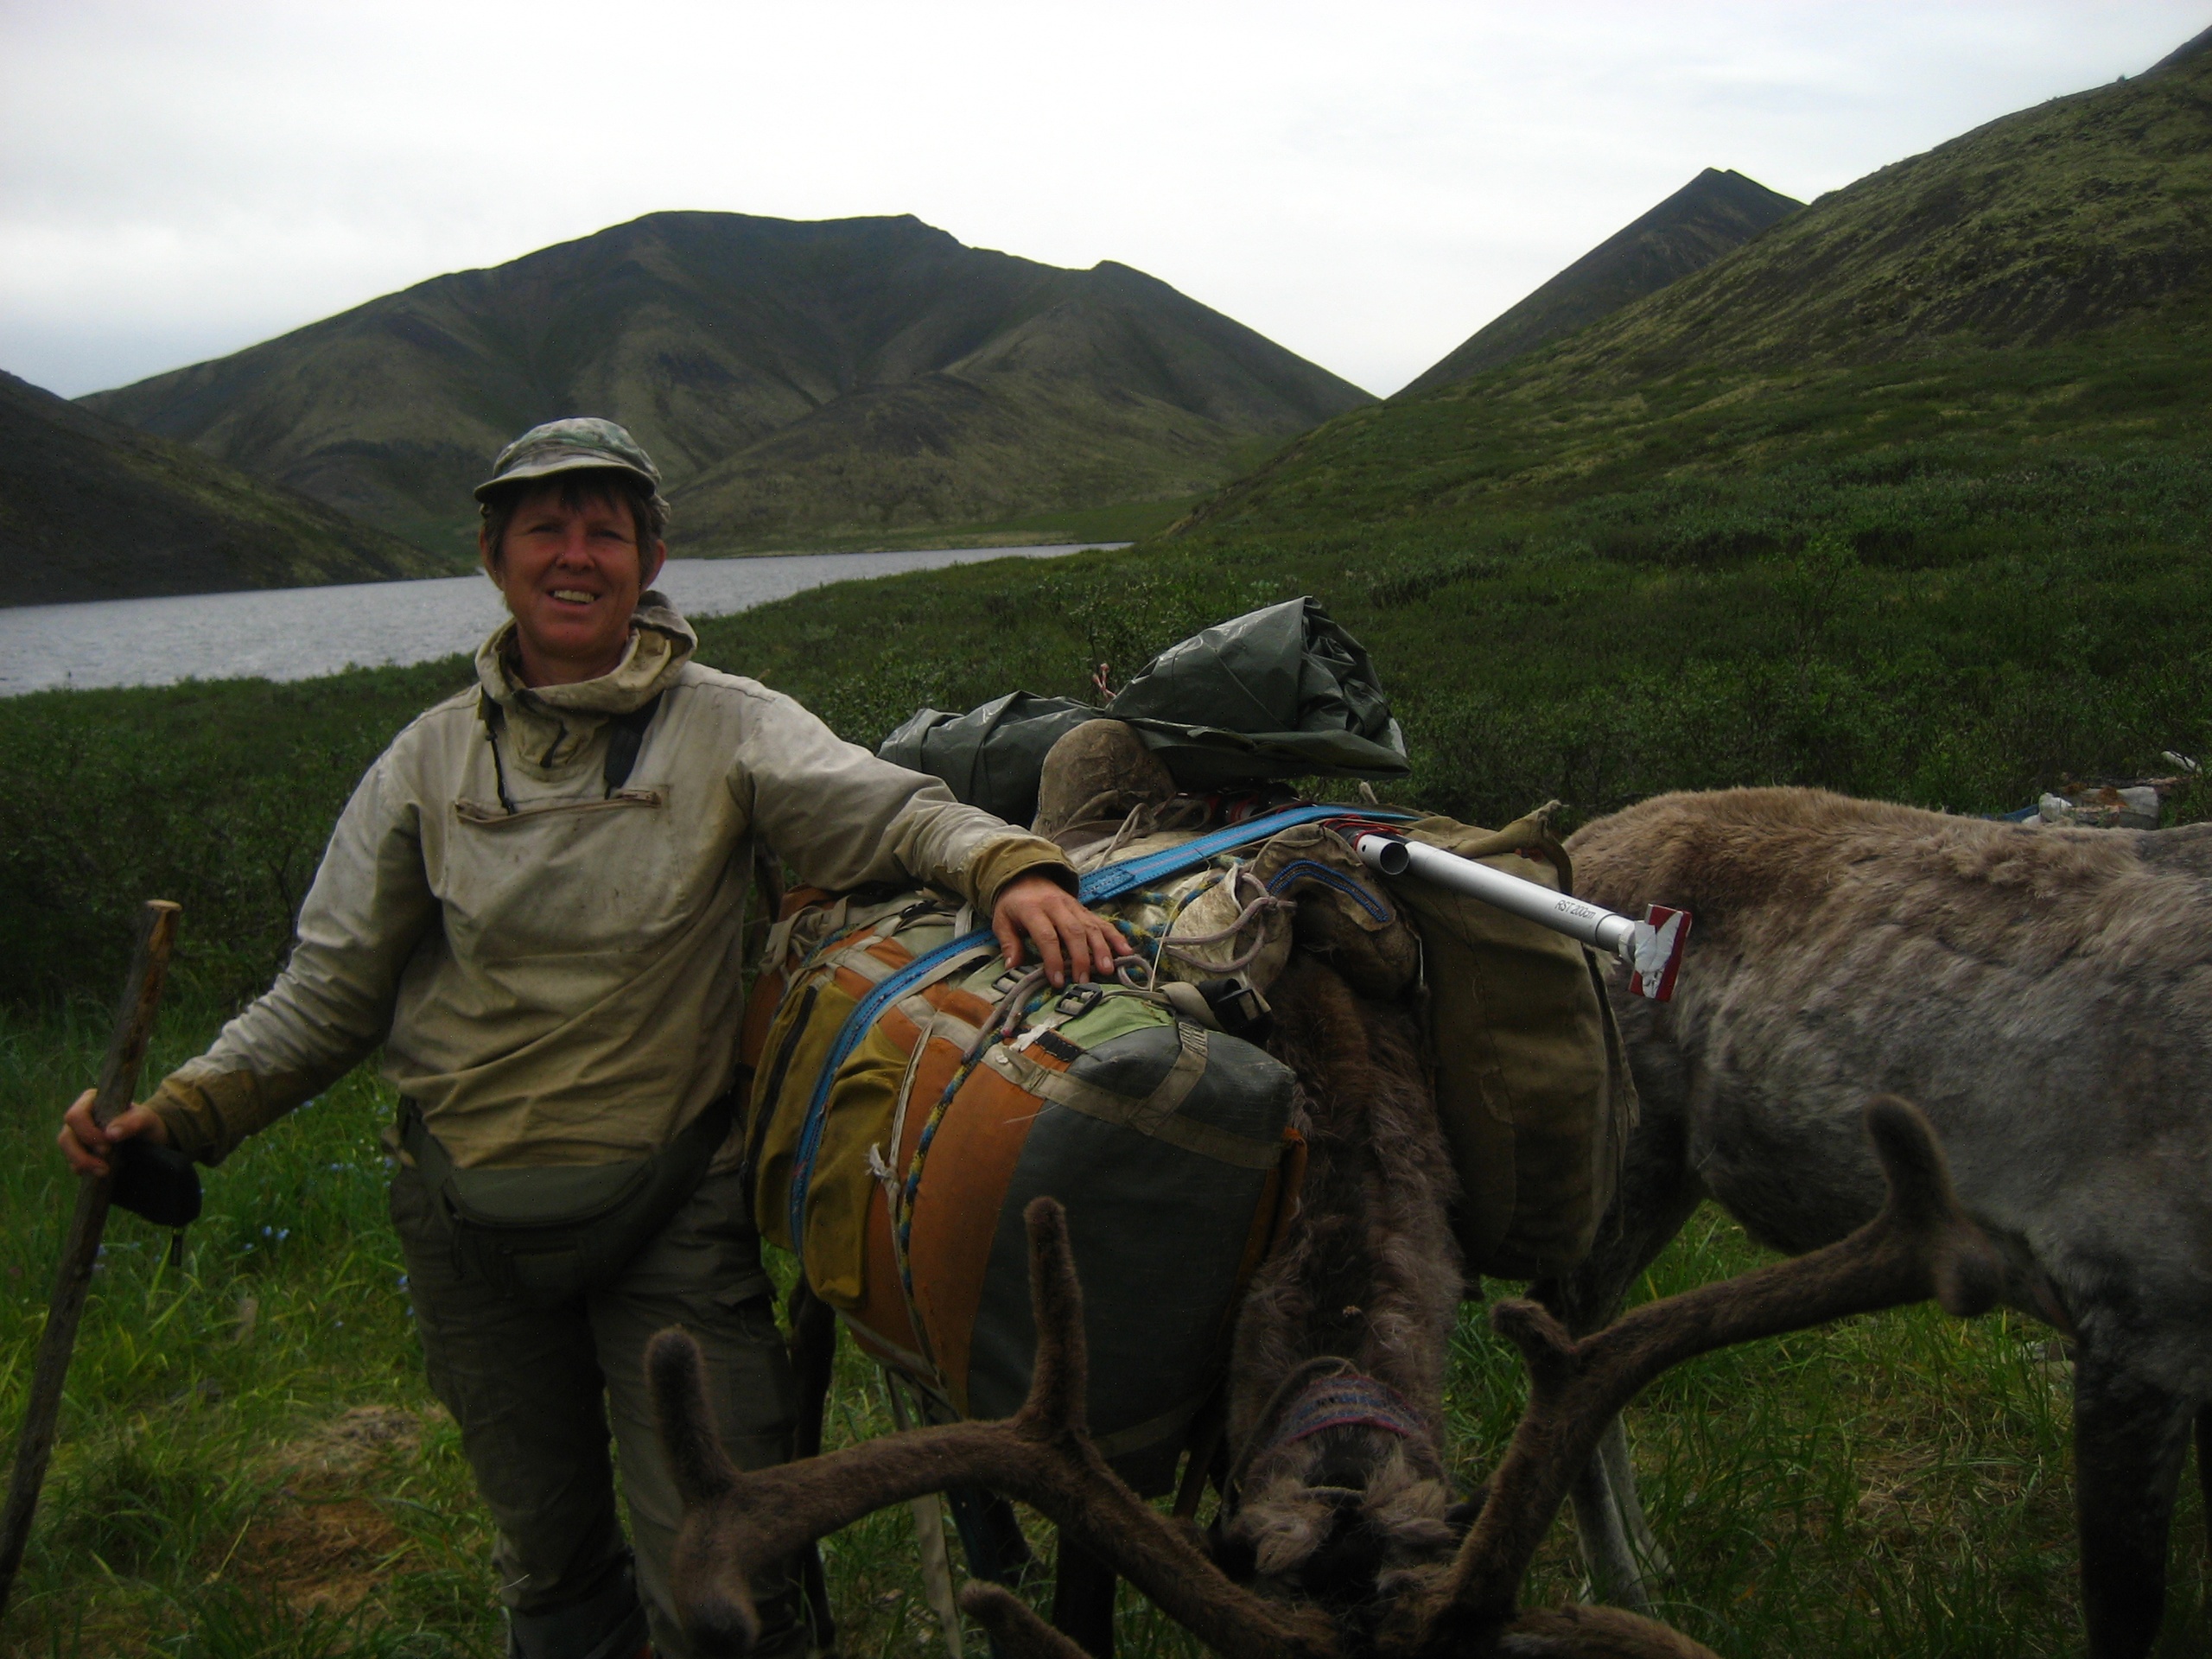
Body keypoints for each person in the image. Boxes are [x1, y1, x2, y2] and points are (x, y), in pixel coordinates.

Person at [58, 417, 1123, 1659]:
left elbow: (888, 814)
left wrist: (1009, 867)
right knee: (550, 1569)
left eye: (604, 532)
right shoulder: (425, 761)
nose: (576, 556)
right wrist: (180, 1117)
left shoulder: (727, 725)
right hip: (465, 1234)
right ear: (494, 556)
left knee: (726, 1579)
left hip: (669, 1219)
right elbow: (327, 992)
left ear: (650, 556)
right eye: (545, 530)